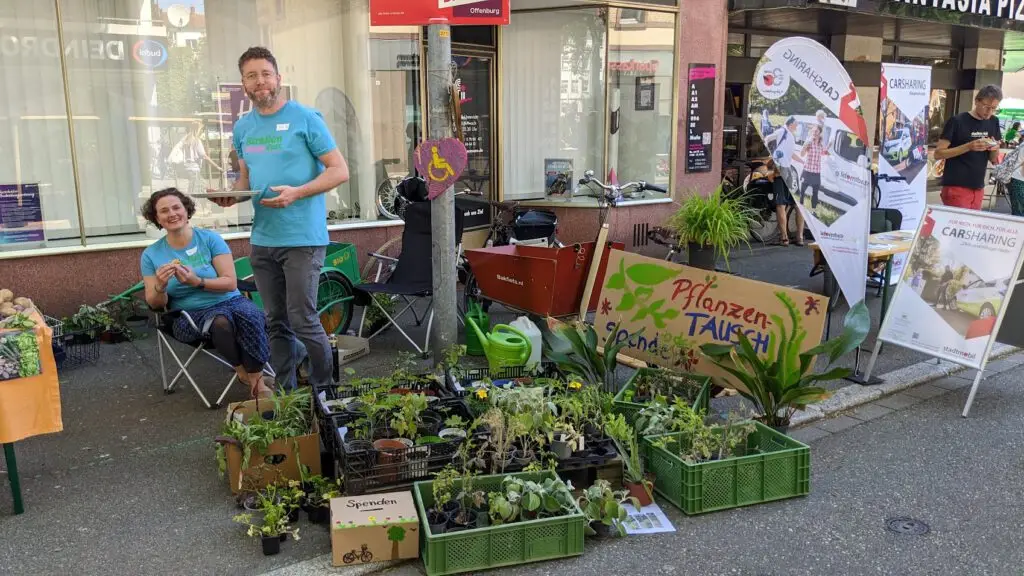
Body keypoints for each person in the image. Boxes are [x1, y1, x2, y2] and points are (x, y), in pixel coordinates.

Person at [211, 46, 350, 390]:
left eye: (265, 74)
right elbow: (245, 180)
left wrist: (297, 193)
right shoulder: (243, 128)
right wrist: (230, 196)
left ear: (278, 78)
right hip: (263, 239)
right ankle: (287, 394)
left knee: (303, 319)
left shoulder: (306, 118)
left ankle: (323, 391)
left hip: (302, 238)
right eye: (251, 76)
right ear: (243, 83)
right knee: (276, 321)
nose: (260, 81)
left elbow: (339, 170)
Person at [140, 188, 273, 399]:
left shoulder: (210, 239)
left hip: (230, 300)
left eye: (176, 207)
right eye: (164, 211)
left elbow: (230, 283)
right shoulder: (151, 255)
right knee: (220, 322)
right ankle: (242, 373)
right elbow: (155, 304)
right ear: (156, 218)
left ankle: (257, 382)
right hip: (189, 314)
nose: (172, 214)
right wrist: (161, 285)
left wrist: (197, 282)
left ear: (187, 210)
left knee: (250, 315)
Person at [934, 85, 1004, 210]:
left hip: (978, 186)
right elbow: (938, 154)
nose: (989, 112)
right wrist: (968, 146)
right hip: (956, 186)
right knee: (959, 222)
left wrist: (995, 148)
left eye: (994, 108)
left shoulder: (994, 121)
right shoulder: (957, 121)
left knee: (973, 222)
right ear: (976, 101)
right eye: (986, 106)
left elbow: (993, 159)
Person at [172, 121, 223, 196]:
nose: (202, 131)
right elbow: (204, 156)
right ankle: (189, 201)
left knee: (196, 187)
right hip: (194, 169)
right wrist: (217, 166)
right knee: (194, 191)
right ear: (198, 130)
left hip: (187, 168)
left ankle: (191, 201)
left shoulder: (185, 140)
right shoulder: (196, 141)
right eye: (201, 129)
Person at [767, 158, 805, 247]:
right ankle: (800, 237)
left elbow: (773, 162)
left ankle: (784, 238)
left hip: (781, 174)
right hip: (795, 173)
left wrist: (773, 173)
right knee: (798, 205)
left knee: (781, 205)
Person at [798, 125, 828, 210]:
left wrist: (828, 147)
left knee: (815, 193)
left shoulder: (821, 144)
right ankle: (800, 207)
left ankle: (813, 210)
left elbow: (823, 153)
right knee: (802, 191)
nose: (814, 133)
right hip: (807, 170)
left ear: (820, 133)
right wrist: (804, 147)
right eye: (813, 131)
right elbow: (802, 154)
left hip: (816, 172)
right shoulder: (808, 142)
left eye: (816, 131)